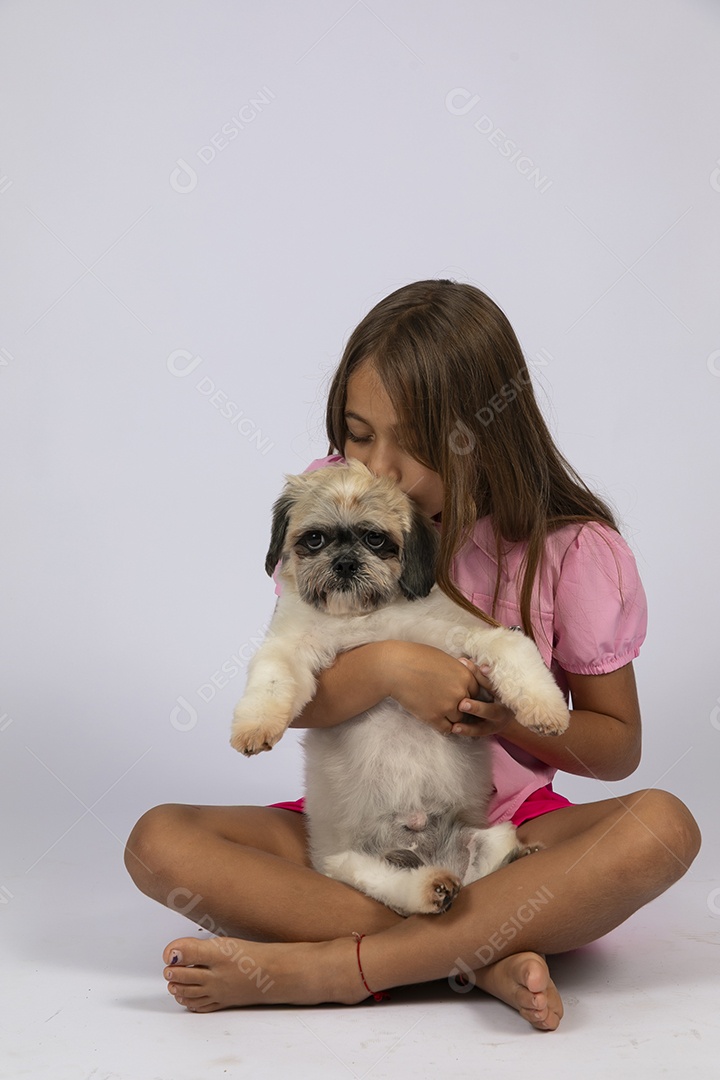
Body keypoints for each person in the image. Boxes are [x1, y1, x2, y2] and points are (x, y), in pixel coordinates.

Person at [124, 280, 700, 1029]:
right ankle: (479, 955)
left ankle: (336, 969)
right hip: (355, 818)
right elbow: (298, 692)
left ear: (486, 434)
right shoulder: (336, 501)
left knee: (663, 828)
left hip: (504, 826)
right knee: (159, 842)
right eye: (359, 434)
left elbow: (618, 747)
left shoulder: (572, 549)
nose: (379, 468)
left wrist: (503, 718)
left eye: (416, 442)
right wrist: (391, 667)